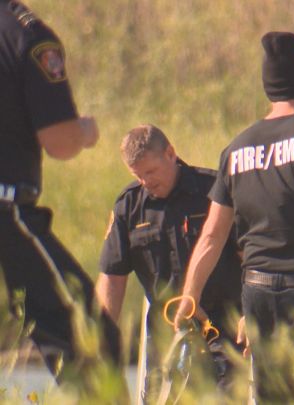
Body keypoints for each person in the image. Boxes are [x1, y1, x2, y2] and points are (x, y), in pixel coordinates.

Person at [174, 31, 294, 403]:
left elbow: (212, 236)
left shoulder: (236, 149)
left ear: (268, 87)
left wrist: (189, 297)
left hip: (258, 297)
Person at [0, 0, 124, 394]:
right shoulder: (24, 34)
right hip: (7, 215)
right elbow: (60, 141)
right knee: (89, 338)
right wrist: (84, 131)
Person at [95, 124, 245, 401]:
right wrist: (102, 341)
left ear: (170, 153)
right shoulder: (129, 206)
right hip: (167, 335)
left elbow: (247, 256)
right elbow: (112, 277)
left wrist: (252, 313)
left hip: (222, 327)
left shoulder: (214, 191)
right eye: (138, 175)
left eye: (150, 171)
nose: (146, 181)